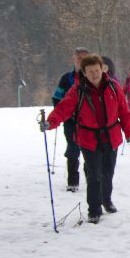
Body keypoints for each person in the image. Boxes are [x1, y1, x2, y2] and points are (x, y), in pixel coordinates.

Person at [44, 54, 130, 223]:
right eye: (90, 71)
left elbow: (124, 111)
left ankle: (106, 200)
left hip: (111, 136)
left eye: (97, 70)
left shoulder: (113, 87)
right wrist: (50, 123)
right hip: (88, 139)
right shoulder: (77, 91)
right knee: (94, 174)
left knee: (108, 172)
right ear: (84, 73)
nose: (94, 74)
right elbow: (63, 109)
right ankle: (94, 209)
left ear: (102, 69)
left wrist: (129, 132)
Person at [52, 47, 89, 191]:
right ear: (73, 59)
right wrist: (60, 114)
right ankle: (72, 182)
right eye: (79, 58)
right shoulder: (66, 78)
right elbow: (57, 98)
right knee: (73, 149)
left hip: (89, 123)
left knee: (89, 151)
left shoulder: (93, 76)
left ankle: (92, 180)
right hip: (70, 121)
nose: (81, 60)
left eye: (84, 57)